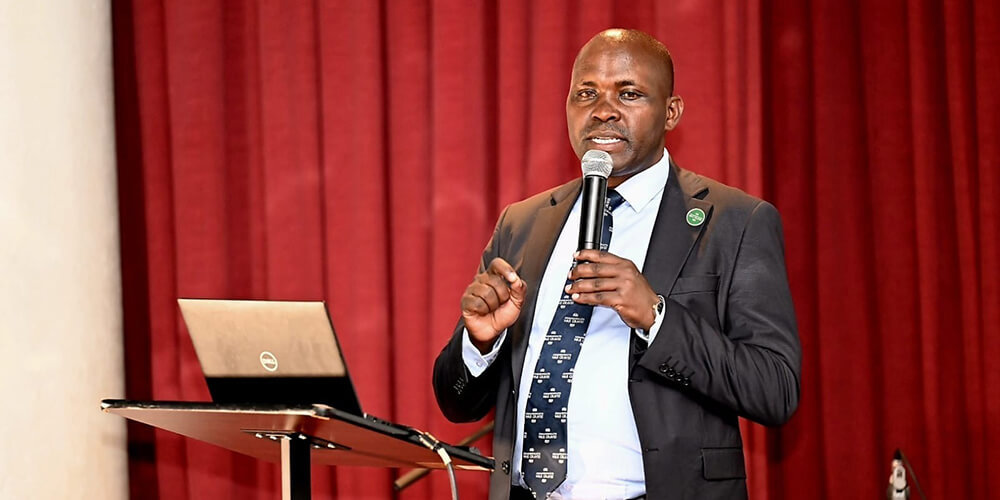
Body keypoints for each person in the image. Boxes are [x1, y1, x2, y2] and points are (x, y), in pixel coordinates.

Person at [433, 28, 801, 500]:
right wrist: (480, 342)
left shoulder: (734, 222)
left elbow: (774, 388)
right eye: (586, 93)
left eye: (628, 93)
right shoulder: (523, 223)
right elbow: (457, 403)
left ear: (671, 112)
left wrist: (655, 316)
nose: (603, 110)